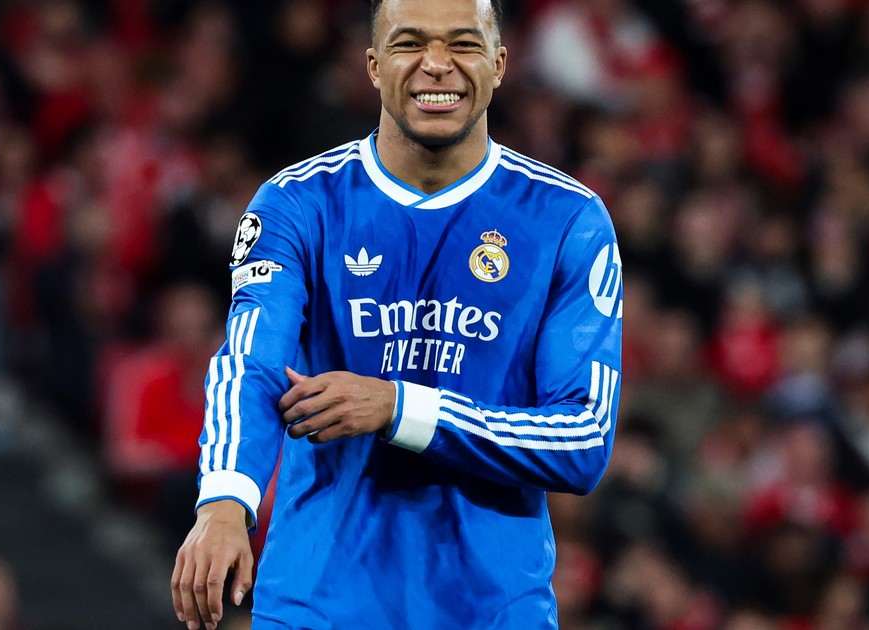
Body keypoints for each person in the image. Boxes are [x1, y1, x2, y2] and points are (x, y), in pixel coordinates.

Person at [171, 0, 624, 627]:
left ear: (498, 65)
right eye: (410, 43)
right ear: (373, 65)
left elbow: (583, 439)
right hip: (318, 605)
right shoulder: (297, 203)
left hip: (490, 611)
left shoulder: (567, 219)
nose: (436, 64)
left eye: (463, 44)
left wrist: (398, 407)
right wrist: (225, 499)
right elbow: (251, 361)